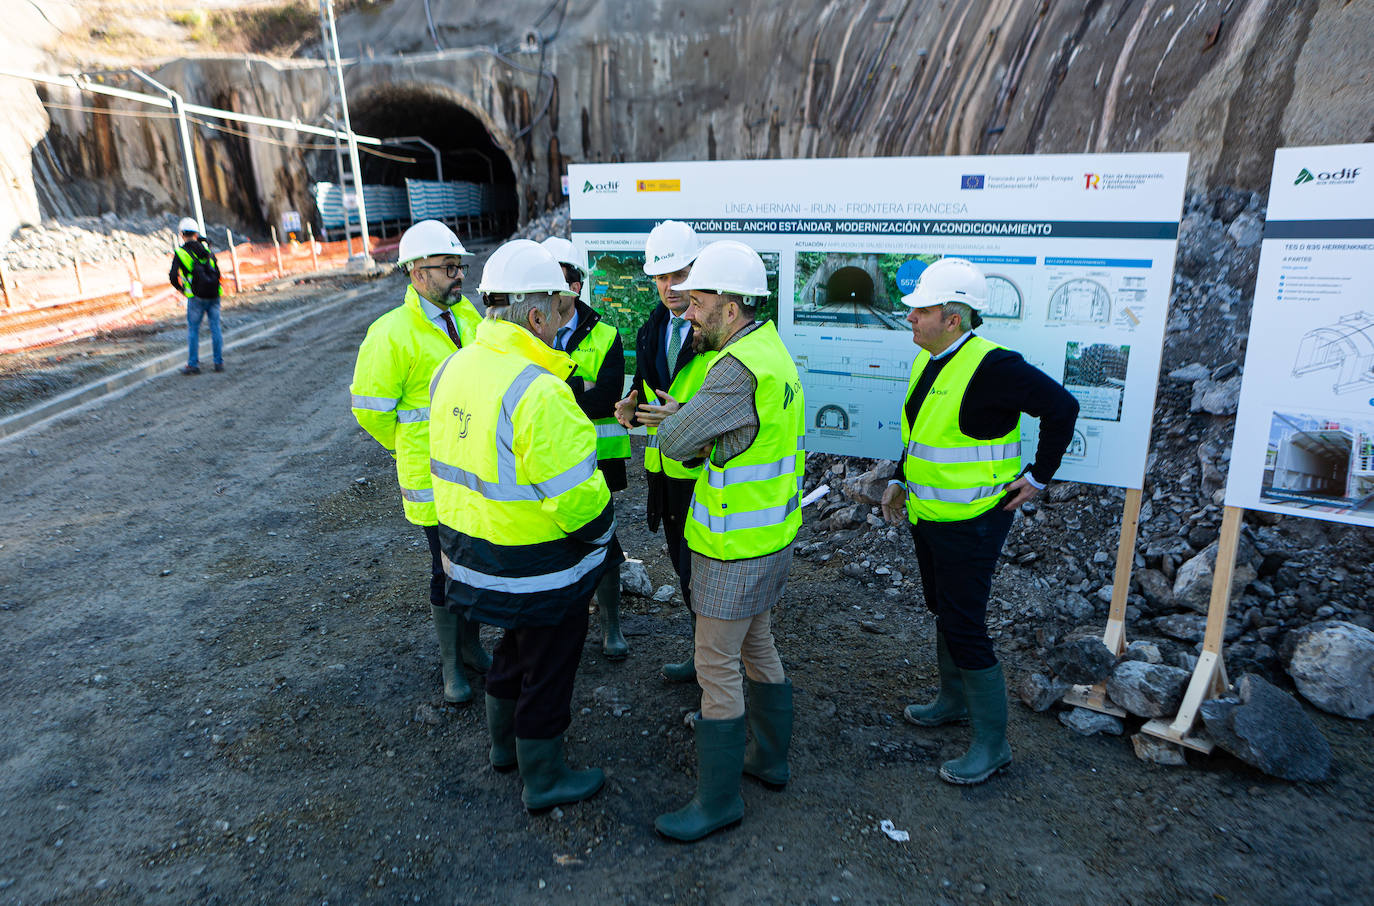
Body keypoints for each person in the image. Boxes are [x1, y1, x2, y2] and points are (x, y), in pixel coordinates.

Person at [878, 257, 1079, 785]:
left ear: (953, 317)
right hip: (932, 515)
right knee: (942, 609)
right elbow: (927, 436)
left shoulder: (994, 366)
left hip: (974, 521)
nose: (910, 319)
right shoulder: (932, 359)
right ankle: (953, 699)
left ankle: (993, 746)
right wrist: (901, 478)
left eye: (919, 311)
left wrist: (1039, 476)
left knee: (965, 624)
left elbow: (1063, 407)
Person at [430, 239, 612, 813]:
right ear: (535, 316)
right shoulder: (540, 391)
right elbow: (579, 503)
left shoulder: (453, 367)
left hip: (472, 557)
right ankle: (545, 779)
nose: (565, 320)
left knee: (512, 650)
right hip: (537, 569)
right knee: (551, 668)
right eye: (559, 310)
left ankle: (503, 749)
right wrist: (605, 534)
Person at [648, 240, 805, 842]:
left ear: (731, 306)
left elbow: (674, 444)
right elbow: (726, 432)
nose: (686, 310)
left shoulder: (732, 369)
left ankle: (718, 803)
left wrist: (686, 423)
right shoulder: (770, 352)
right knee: (758, 646)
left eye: (698, 300)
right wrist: (698, 424)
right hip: (771, 537)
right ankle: (769, 758)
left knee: (715, 665)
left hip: (731, 547)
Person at [350, 219, 490, 705]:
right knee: (446, 568)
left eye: (460, 267)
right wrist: (409, 447)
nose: (459, 276)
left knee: (474, 563)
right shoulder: (390, 334)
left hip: (477, 473)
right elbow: (370, 412)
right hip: (432, 480)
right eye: (448, 268)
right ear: (416, 273)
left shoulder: (470, 317)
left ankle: (471, 648)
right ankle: (452, 665)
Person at [613, 220, 713, 682]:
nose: (669, 287)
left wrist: (683, 419)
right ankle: (704, 658)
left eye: (678, 275)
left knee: (707, 575)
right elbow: (646, 390)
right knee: (683, 569)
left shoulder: (716, 330)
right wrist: (631, 407)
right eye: (660, 277)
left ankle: (717, 669)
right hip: (665, 472)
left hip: (710, 476)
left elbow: (728, 403)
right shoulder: (651, 327)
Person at [541, 236, 631, 660]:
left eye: (560, 281)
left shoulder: (607, 334)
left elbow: (608, 397)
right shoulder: (527, 331)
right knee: (551, 541)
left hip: (598, 461)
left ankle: (611, 625)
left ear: (576, 285)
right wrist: (581, 386)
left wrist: (559, 390)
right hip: (542, 459)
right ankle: (563, 622)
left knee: (604, 542)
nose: (554, 291)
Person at [168, 217, 223, 375]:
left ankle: (193, 364)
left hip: (195, 297)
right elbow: (216, 272)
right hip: (214, 295)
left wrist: (181, 290)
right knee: (215, 328)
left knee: (193, 330)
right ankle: (218, 362)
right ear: (196, 233)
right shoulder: (206, 250)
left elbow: (172, 276)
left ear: (182, 234)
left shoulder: (180, 252)